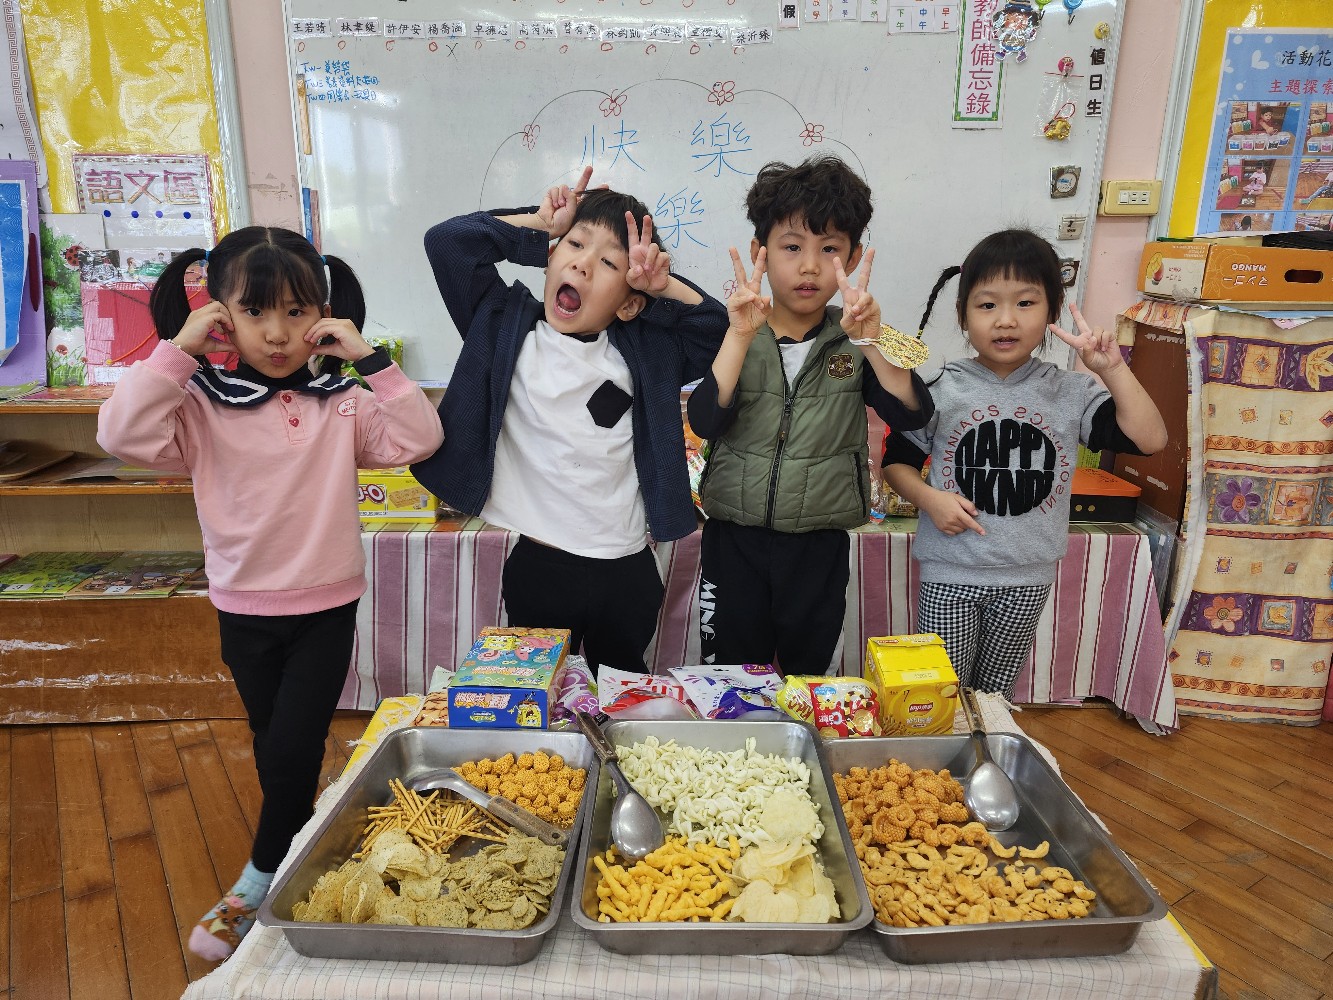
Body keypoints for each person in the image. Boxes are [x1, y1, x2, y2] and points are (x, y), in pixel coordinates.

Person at [96, 227, 443, 961]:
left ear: (322, 311)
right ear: (221, 313)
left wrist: (371, 360)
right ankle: (300, 828)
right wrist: (177, 351)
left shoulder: (341, 401)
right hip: (242, 606)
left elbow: (419, 440)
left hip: (327, 606)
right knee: (271, 737)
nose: (278, 333)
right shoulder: (197, 403)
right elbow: (120, 435)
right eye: (255, 312)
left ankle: (259, 879)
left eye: (295, 310)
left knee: (293, 742)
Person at [410, 167, 728, 672]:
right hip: (540, 565)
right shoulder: (502, 326)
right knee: (533, 699)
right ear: (549, 259)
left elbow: (719, 331)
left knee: (617, 701)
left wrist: (664, 287)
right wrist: (539, 225)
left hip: (627, 570)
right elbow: (447, 243)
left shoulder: (648, 351)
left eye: (609, 262)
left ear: (629, 303)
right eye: (575, 245)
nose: (582, 264)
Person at [882, 229, 1167, 697]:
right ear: (964, 314)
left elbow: (1151, 439)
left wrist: (1113, 369)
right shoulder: (940, 388)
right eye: (987, 305)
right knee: (941, 694)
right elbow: (895, 463)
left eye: (1026, 303)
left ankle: (988, 744)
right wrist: (929, 499)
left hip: (1029, 576)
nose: (1006, 320)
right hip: (951, 570)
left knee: (994, 695)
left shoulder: (1071, 391)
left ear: (1052, 311)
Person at [687, 155, 932, 675]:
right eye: (792, 247)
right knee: (729, 677)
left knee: (809, 679)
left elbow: (912, 413)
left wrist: (871, 341)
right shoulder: (735, 331)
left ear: (854, 256)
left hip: (819, 544)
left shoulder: (859, 337)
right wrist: (738, 336)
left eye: (830, 249)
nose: (810, 267)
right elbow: (705, 421)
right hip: (734, 538)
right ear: (760, 251)